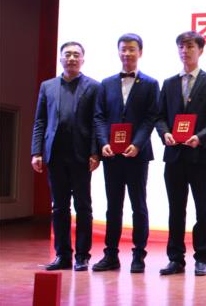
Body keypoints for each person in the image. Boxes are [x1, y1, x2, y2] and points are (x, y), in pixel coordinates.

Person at [156, 31, 206, 276]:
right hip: (174, 156)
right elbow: (159, 117)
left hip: (201, 156)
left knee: (203, 208)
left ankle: (202, 257)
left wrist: (200, 137)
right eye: (181, 47)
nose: (185, 51)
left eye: (190, 47)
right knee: (176, 208)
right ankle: (175, 258)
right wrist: (165, 133)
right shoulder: (169, 83)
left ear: (201, 50)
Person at [31, 41, 100, 271]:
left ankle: (82, 256)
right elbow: (40, 121)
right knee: (59, 207)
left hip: (81, 155)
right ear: (61, 58)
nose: (71, 58)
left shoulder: (93, 87)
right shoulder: (48, 86)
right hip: (55, 155)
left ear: (83, 59)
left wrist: (95, 152)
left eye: (76, 55)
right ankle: (62, 256)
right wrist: (36, 151)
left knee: (83, 207)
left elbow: (96, 122)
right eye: (67, 54)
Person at [93, 34, 159, 273]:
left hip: (137, 155)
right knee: (113, 206)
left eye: (132, 49)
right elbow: (99, 116)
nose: (127, 53)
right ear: (118, 52)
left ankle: (139, 255)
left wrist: (138, 144)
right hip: (111, 154)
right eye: (123, 49)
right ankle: (110, 254)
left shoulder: (151, 84)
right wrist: (103, 143)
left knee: (138, 205)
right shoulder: (106, 83)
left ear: (140, 52)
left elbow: (151, 117)